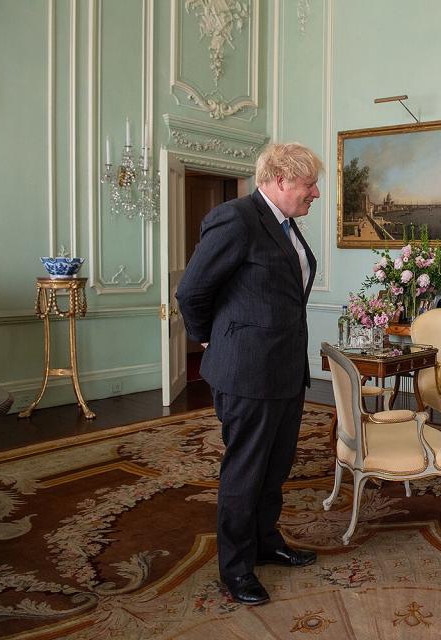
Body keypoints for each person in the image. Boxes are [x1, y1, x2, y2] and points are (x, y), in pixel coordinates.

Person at [176, 142, 322, 605]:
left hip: (283, 370)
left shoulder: (286, 225)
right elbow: (192, 291)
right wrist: (209, 339)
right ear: (280, 180)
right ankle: (235, 569)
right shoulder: (236, 218)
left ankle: (266, 542)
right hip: (247, 373)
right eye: (308, 183)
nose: (315, 192)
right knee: (245, 471)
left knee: (274, 468)